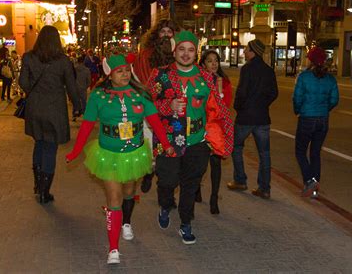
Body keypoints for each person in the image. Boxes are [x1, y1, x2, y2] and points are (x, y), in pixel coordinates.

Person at [65, 54, 174, 265]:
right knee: (113, 199)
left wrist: (167, 144)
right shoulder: (98, 95)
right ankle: (113, 248)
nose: (125, 74)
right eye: (119, 71)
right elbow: (87, 126)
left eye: (127, 70)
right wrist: (76, 151)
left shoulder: (141, 93)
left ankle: (127, 221)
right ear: (109, 74)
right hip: (108, 153)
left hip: (135, 153)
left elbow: (154, 121)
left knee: (129, 192)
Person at [148, 31, 233, 245]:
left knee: (190, 185)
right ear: (174, 50)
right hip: (168, 140)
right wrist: (168, 106)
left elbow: (216, 110)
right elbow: (145, 106)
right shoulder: (160, 75)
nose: (186, 54)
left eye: (191, 50)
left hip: (197, 141)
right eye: (182, 49)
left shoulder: (208, 78)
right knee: (167, 181)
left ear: (197, 52)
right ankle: (165, 206)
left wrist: (216, 136)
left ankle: (186, 222)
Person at [19, 25, 81, 204]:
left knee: (38, 143)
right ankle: (45, 191)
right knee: (50, 148)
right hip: (55, 109)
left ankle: (37, 185)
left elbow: (23, 82)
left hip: (35, 108)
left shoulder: (28, 57)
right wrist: (78, 105)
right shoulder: (63, 61)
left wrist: (34, 91)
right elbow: (71, 86)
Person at [227, 39, 278, 199]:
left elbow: (242, 92)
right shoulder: (268, 70)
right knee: (264, 153)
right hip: (262, 117)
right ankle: (264, 188)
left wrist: (238, 107)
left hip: (246, 117)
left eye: (246, 49)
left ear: (253, 51)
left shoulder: (248, 69)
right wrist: (263, 104)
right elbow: (274, 93)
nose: (244, 52)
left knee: (236, 147)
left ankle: (240, 180)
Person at [133, 19, 179, 194]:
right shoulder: (145, 55)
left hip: (172, 109)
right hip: (150, 108)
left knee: (169, 147)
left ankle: (165, 185)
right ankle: (149, 172)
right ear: (156, 35)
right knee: (150, 144)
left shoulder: (176, 54)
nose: (166, 35)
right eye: (163, 32)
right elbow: (145, 84)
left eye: (170, 32)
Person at [293, 46, 339, 199]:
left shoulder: (304, 77)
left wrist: (298, 110)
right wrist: (325, 108)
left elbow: (297, 98)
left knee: (300, 151)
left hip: (307, 118)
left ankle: (309, 181)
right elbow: (334, 100)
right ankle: (314, 189)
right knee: (315, 153)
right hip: (323, 120)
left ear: (311, 60)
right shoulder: (330, 79)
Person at [198, 49, 232, 214]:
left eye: (216, 61)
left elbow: (224, 106)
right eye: (210, 61)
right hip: (200, 127)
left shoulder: (224, 81)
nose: (213, 64)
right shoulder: (198, 80)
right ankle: (196, 189)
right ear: (203, 63)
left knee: (216, 164)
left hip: (216, 128)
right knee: (200, 164)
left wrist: (218, 88)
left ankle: (214, 198)